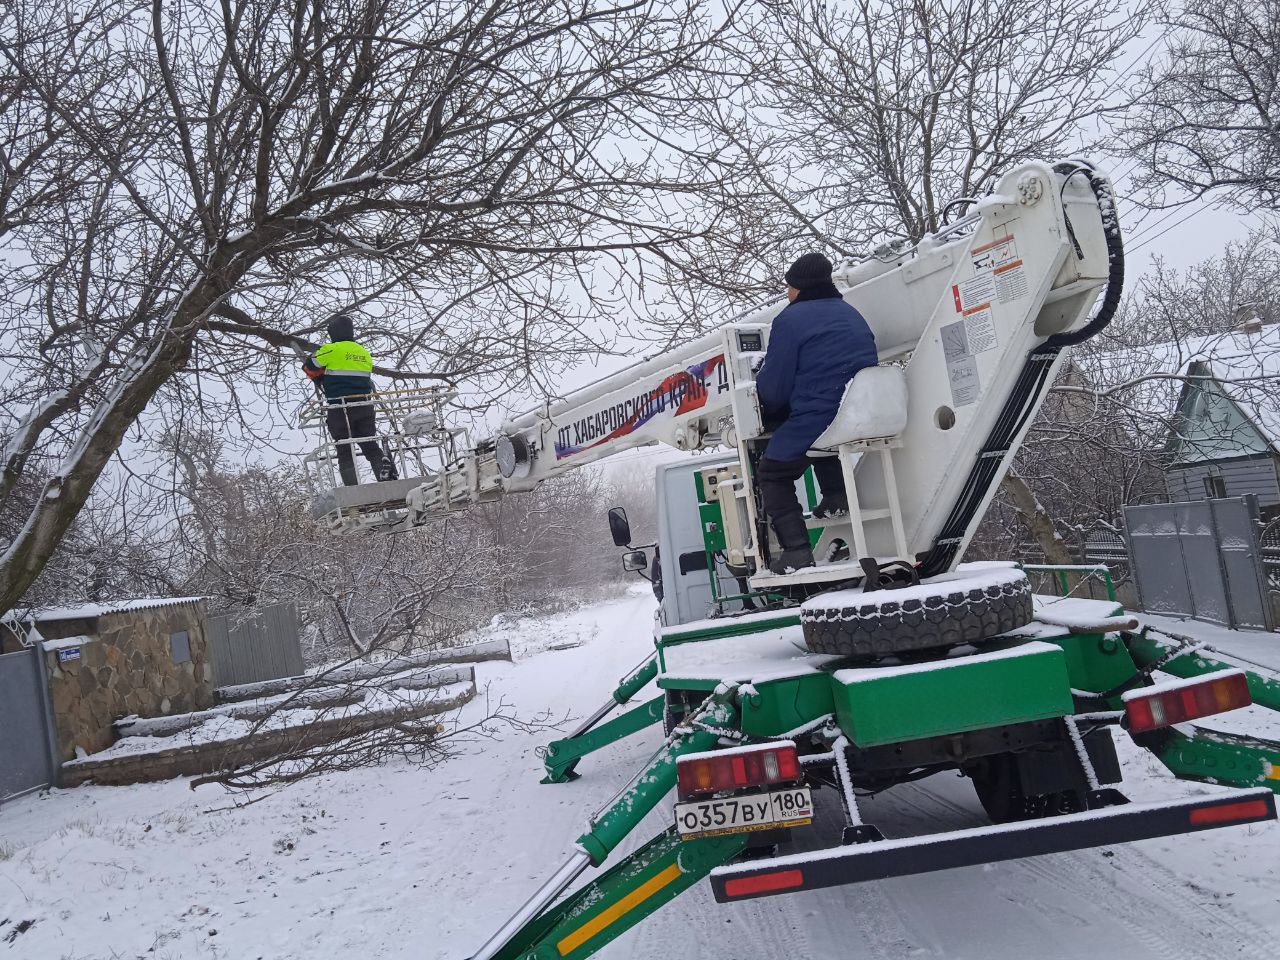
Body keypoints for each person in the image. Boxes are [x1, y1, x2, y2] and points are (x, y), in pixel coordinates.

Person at [755, 253, 877, 574]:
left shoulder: (790, 320)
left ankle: (796, 553)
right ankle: (835, 495)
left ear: (798, 287)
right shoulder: (851, 313)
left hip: (820, 417)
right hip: (860, 411)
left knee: (772, 471)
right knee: (823, 444)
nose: (787, 293)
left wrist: (763, 394)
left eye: (788, 287)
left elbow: (775, 389)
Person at [302, 313, 398, 486]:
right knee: (369, 444)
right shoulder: (364, 353)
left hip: (340, 408)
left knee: (344, 448)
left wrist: (319, 376)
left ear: (333, 332)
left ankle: (353, 486)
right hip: (364, 406)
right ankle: (385, 479)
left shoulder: (331, 349)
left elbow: (310, 366)